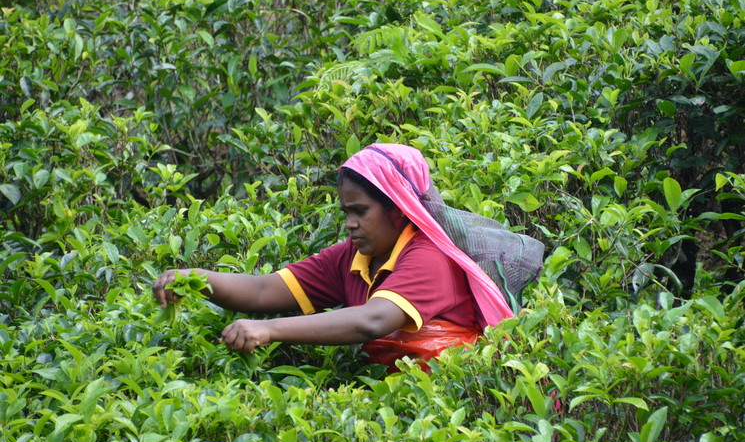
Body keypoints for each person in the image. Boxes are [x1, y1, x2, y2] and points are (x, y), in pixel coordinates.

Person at [152, 144, 530, 371]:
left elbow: (373, 320)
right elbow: (264, 290)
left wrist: (268, 330)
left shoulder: (430, 257)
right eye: (345, 212)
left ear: (399, 210)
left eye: (360, 212)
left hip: (453, 405)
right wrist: (195, 277)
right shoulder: (351, 258)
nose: (349, 225)